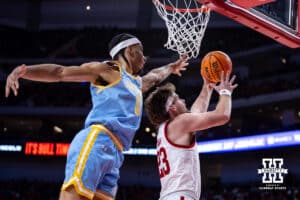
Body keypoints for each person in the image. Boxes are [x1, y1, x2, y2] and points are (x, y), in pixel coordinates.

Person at [5, 33, 188, 200]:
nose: (145, 57)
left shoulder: (134, 82)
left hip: (116, 154)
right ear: (130, 51)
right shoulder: (108, 71)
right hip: (98, 140)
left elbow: (155, 77)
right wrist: (24, 71)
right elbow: (60, 73)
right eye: (141, 52)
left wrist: (172, 67)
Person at [144, 72, 238, 200]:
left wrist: (207, 87)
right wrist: (225, 92)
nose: (183, 101)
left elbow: (196, 112)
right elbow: (223, 115)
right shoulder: (180, 123)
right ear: (172, 108)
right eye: (178, 99)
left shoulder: (166, 129)